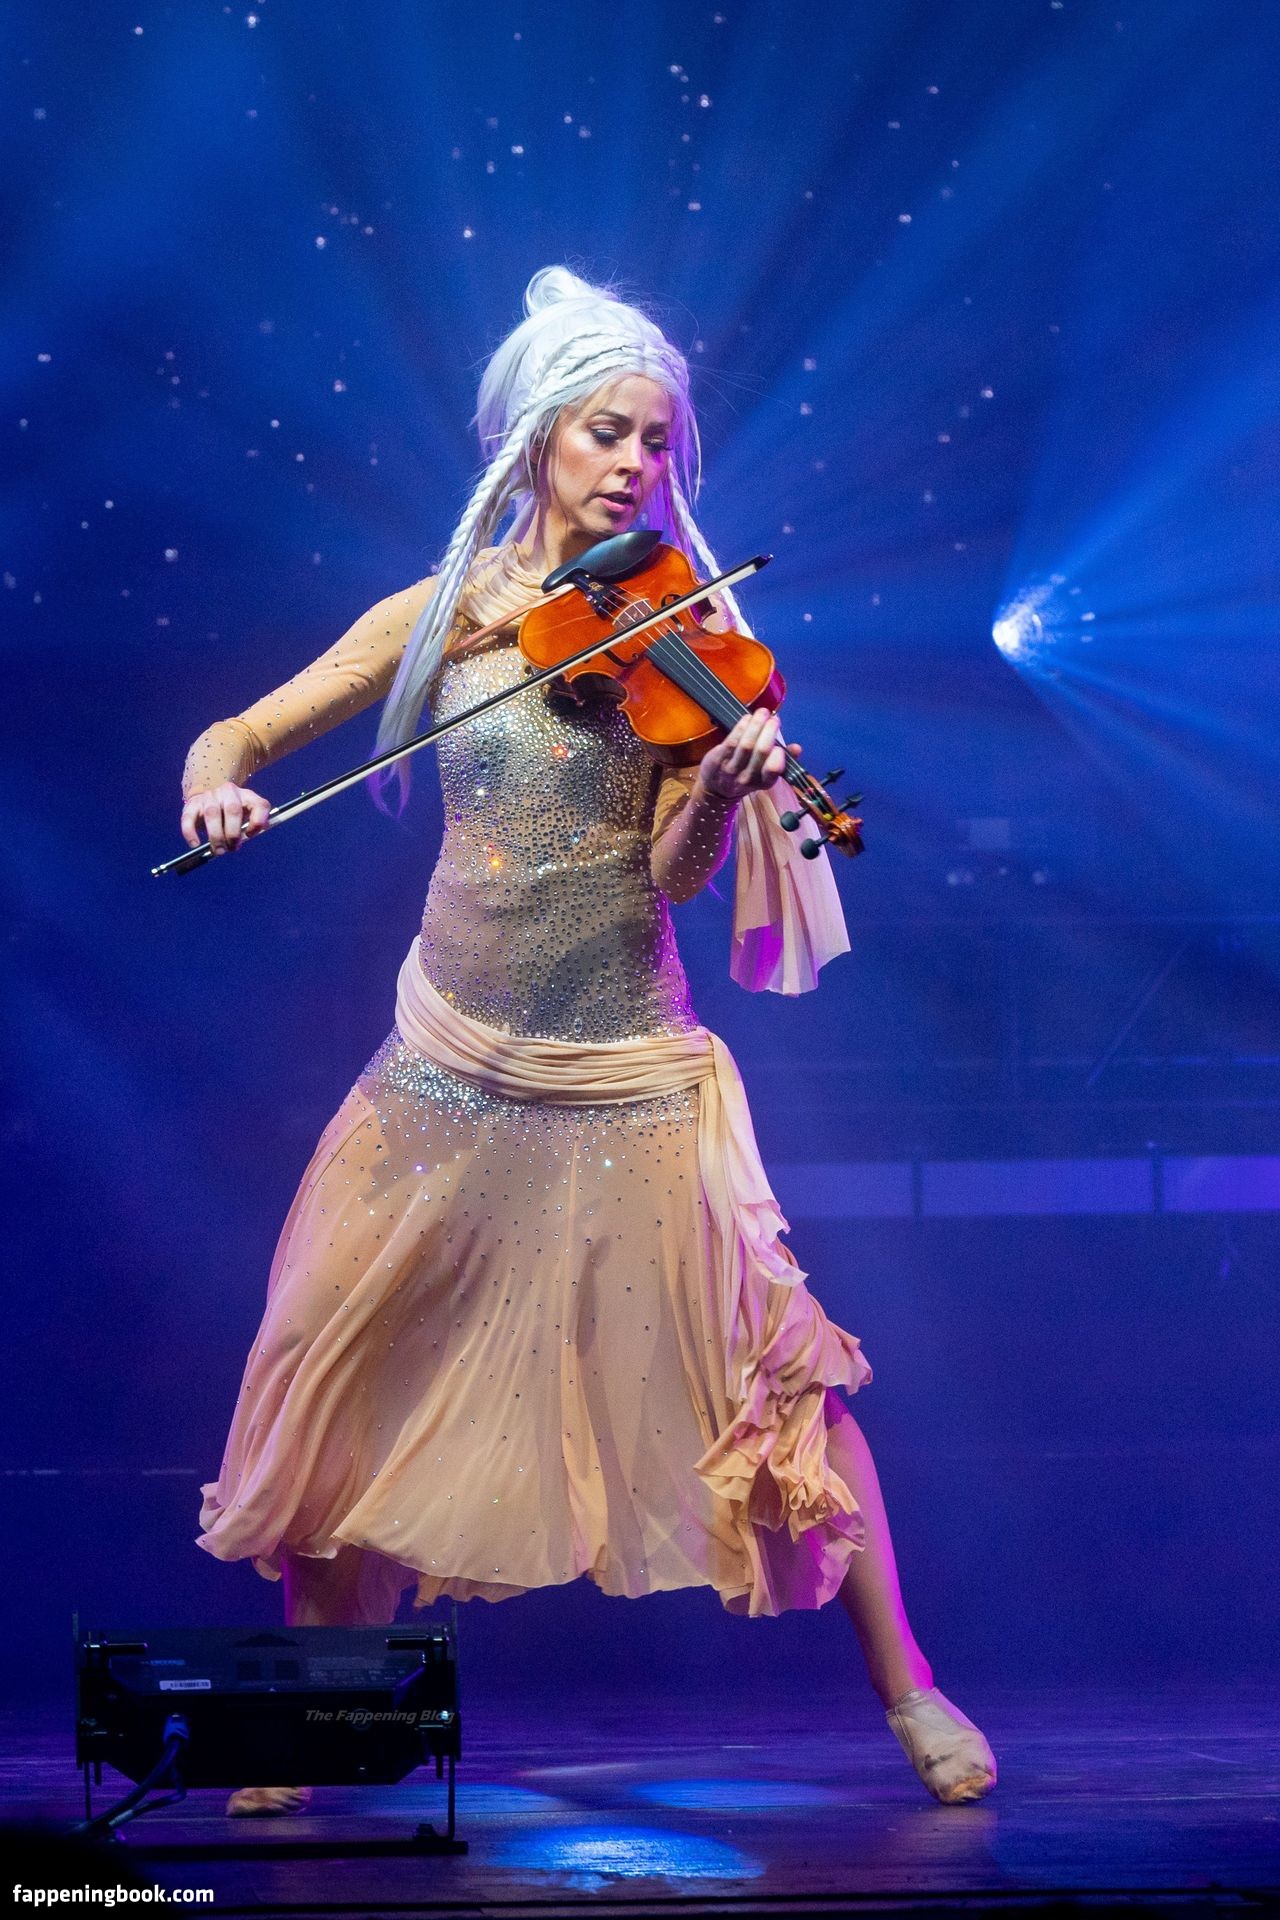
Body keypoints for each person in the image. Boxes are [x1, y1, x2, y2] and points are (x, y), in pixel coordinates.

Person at [180, 266, 997, 1813]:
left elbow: (671, 882)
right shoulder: (446, 613)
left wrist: (720, 793)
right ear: (539, 434)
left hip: (628, 1068)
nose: (634, 462)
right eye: (607, 430)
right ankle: (304, 1719)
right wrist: (212, 788)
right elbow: (242, 732)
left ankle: (912, 1689)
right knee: (332, 1372)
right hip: (447, 1067)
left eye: (657, 439)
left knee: (781, 1391)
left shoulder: (688, 631)